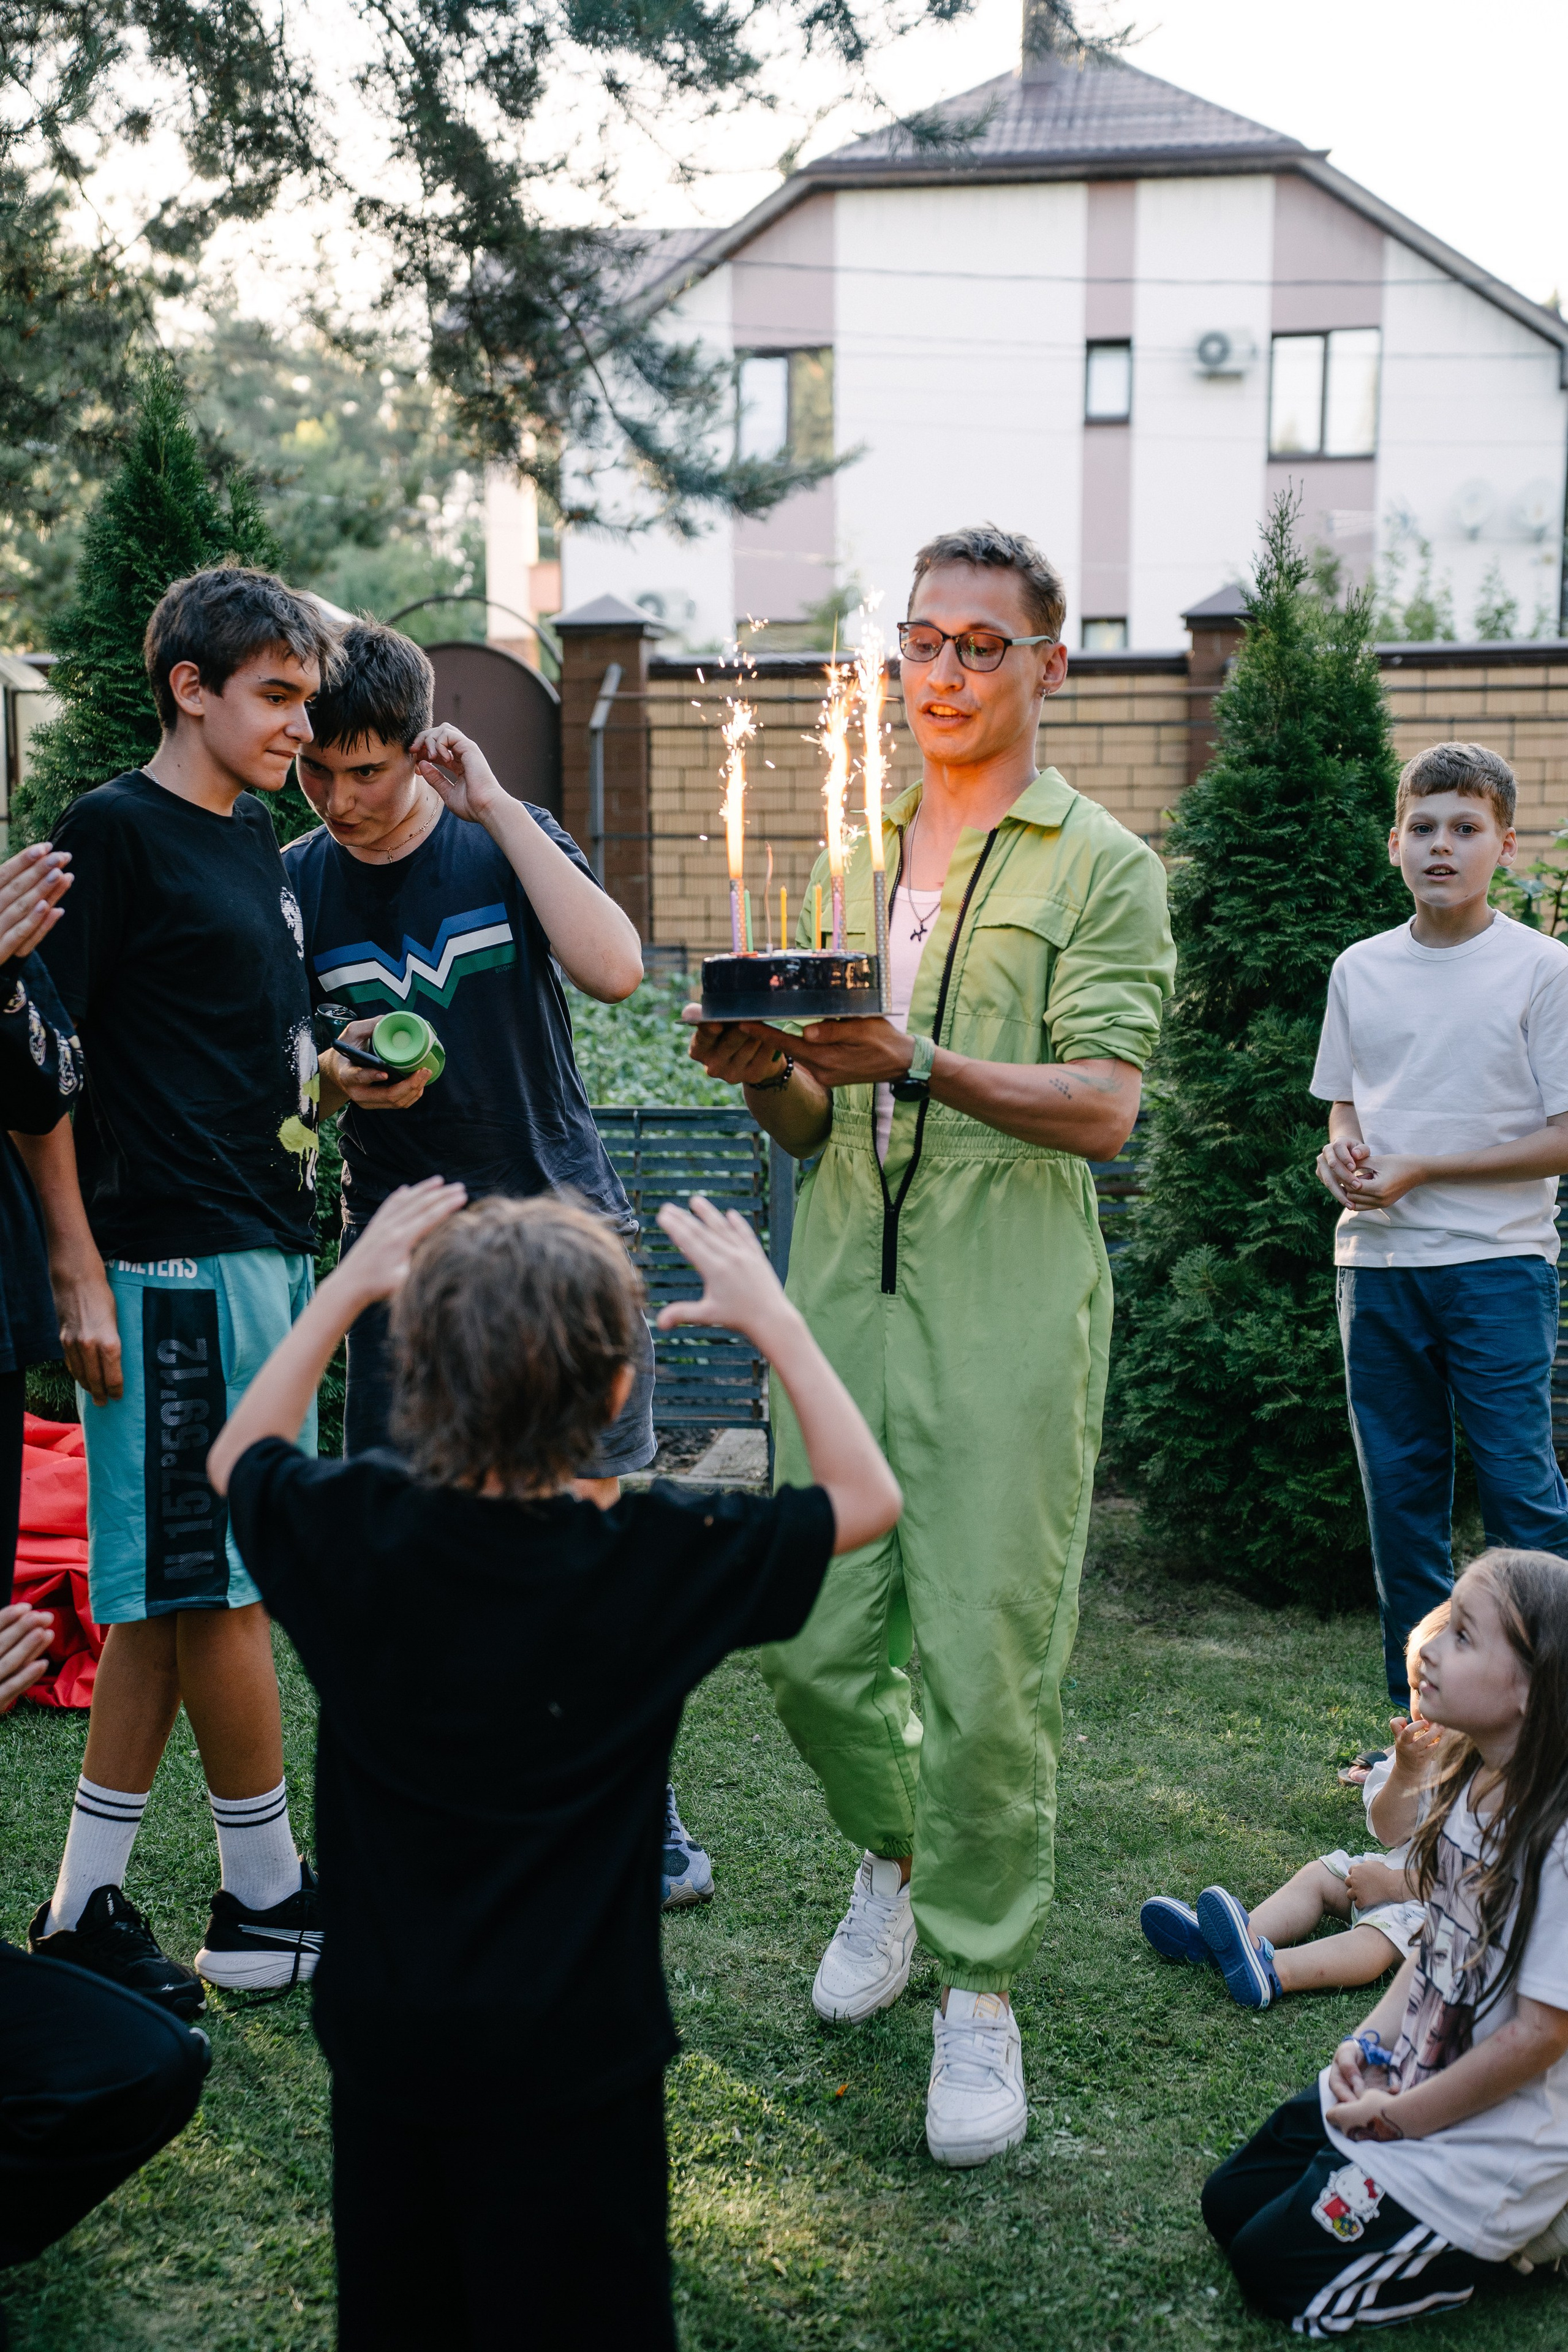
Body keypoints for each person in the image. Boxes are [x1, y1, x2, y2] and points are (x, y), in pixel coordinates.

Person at [205, 1178, 901, 2351]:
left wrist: (346, 1285)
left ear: (415, 1374)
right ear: (620, 1388)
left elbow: (240, 1455)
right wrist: (773, 1320)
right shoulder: (655, 1558)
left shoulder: (353, 1531)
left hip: (391, 2049)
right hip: (578, 2063)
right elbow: (863, 1496)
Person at [686, 524, 1175, 2166]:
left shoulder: (1099, 861)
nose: (945, 674)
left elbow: (1105, 1110)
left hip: (1011, 1318)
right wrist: (762, 1065)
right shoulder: (852, 854)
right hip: (841, 1303)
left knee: (984, 1669)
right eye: (921, 642)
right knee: (815, 1649)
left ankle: (979, 1986)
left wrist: (922, 1059)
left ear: (1052, 666)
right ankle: (890, 1861)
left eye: (981, 644)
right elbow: (816, 1126)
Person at [280, 620, 712, 1906]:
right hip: (404, 1264)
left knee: (587, 1552)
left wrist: (503, 806)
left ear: (420, 750)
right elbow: (293, 1097)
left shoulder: (493, 838)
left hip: (563, 1242)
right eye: (319, 772)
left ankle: (641, 1818)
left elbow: (618, 970)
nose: (343, 801)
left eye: (368, 771)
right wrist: (337, 1083)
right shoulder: (296, 881)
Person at [12, 565, 361, 2008]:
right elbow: (35, 1064)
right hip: (159, 1264)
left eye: (304, 696)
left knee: (170, 1585)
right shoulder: (112, 832)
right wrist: (78, 1267)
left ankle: (87, 1903)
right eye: (274, 696)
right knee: (223, 1576)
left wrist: (333, 1085)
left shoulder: (257, 835)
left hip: (262, 1244)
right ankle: (267, 1898)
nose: (298, 725)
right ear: (190, 687)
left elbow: (241, 1058)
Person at [1202, 1548, 1568, 2332]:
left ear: (1530, 1690)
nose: (1430, 1648)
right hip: (1409, 2085)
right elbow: (1438, 1947)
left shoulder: (1560, 1845)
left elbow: (1539, 2038)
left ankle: (1512, 2241)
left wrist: (1403, 2120)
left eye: (1464, 1638)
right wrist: (1364, 2052)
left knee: (1272, 2273)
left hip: (1482, 2149)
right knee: (1228, 2206)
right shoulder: (1473, 1786)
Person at [1314, 742, 1568, 1705]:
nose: (1442, 847)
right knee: (1403, 1510)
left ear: (1503, 844)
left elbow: (1564, 1138)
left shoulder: (1544, 971)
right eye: (1423, 828)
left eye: (1465, 829)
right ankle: (1422, 1735)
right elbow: (1345, 1106)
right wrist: (1341, 1152)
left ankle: (1549, 1724)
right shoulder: (1359, 970)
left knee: (1522, 1498)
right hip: (1376, 1268)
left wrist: (1427, 1168)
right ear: (1394, 843)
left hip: (1498, 1265)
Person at [1140, 1604, 1451, 2007]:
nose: (1420, 1706)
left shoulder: (1498, 1777)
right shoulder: (1413, 1754)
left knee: (1380, 1937)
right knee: (1320, 1875)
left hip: (1446, 1911)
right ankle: (1232, 1941)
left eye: (1435, 1690)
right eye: (1414, 1688)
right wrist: (1407, 1772)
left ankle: (1275, 1971)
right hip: (1390, 1873)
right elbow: (1389, 1831)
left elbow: (1478, 1880)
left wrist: (1392, 1887)